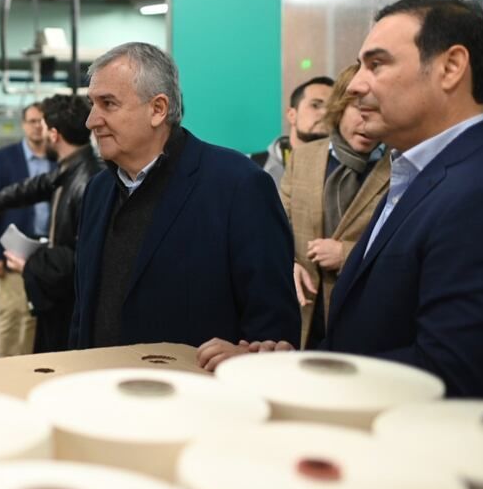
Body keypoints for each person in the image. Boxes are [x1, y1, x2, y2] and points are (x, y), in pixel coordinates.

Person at [200, 0, 483, 398]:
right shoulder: (422, 172)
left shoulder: (475, 187)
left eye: (377, 64)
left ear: (451, 67)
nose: (353, 85)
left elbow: (453, 371)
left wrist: (287, 374)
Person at [73, 42, 299, 351]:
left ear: (158, 109)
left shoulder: (238, 186)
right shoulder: (98, 191)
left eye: (108, 104)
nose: (92, 121)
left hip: (197, 393)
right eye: (92, 105)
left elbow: (272, 328)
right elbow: (84, 310)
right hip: (103, 388)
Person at [0, 95, 103, 353]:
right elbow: (38, 185)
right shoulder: (74, 169)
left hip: (70, 306)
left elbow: (82, 256)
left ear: (54, 134)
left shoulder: (86, 181)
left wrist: (32, 262)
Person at [281, 63, 390, 349]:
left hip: (367, 316)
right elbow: (276, 226)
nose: (368, 123)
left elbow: (407, 244)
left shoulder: (399, 166)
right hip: (304, 316)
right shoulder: (304, 157)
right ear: (339, 108)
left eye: (379, 111)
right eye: (360, 110)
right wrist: (287, 263)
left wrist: (348, 254)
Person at [0, 103, 56, 356]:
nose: (38, 126)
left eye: (42, 121)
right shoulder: (4, 158)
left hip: (47, 251)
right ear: (24, 125)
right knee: (13, 317)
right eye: (32, 121)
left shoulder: (57, 158)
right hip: (13, 250)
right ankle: (7, 374)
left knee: (38, 320)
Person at [251, 76, 334, 186]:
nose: (325, 113)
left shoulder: (344, 172)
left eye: (333, 108)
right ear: (292, 115)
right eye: (315, 105)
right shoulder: (250, 166)